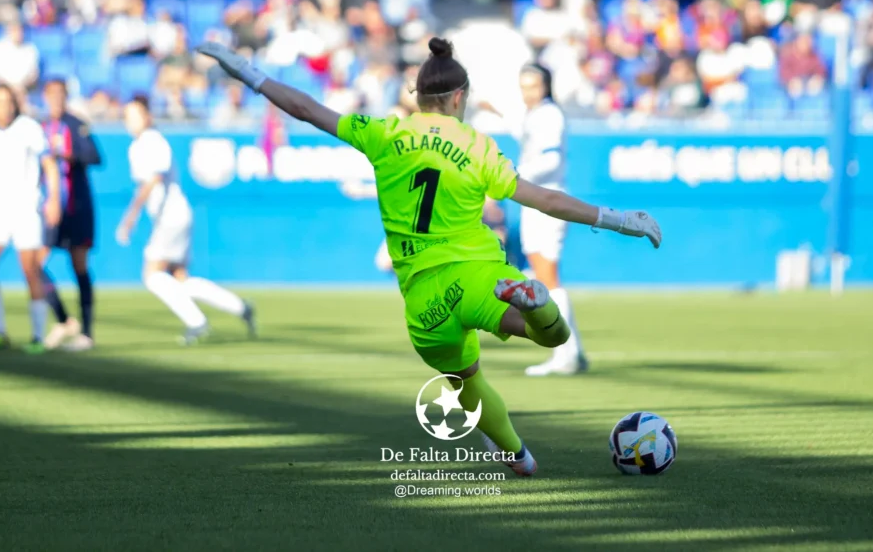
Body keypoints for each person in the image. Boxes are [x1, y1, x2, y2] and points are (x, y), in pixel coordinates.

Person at [199, 38, 662, 476]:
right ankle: (534, 305)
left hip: (423, 296)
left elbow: (306, 109)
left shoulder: (384, 132)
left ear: (418, 95)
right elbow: (545, 199)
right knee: (553, 336)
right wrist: (616, 218)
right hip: (480, 274)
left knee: (465, 381)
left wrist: (249, 75)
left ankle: (520, 458)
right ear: (459, 97)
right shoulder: (478, 145)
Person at [116, 96, 257, 344]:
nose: (131, 121)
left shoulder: (152, 141)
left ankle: (196, 321)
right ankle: (239, 307)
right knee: (180, 277)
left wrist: (130, 217)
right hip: (172, 215)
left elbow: (153, 179)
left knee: (152, 275)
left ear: (147, 116)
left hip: (170, 216)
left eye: (135, 114)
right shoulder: (138, 145)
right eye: (127, 116)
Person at [0, 84, 61, 354]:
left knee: (31, 270)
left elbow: (49, 164)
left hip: (26, 208)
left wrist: (53, 198)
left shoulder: (29, 128)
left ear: (15, 103)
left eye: (8, 101)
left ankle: (37, 336)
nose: (5, 106)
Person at [514, 64, 587, 375]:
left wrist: (516, 178)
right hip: (535, 200)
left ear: (546, 86)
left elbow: (551, 157)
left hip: (547, 198)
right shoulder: (534, 115)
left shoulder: (549, 114)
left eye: (533, 85)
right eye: (524, 85)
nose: (528, 91)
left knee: (547, 276)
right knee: (541, 272)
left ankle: (564, 352)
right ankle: (573, 351)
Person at [39, 80, 102, 352]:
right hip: (49, 207)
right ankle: (64, 319)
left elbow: (95, 156)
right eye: (50, 95)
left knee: (79, 266)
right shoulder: (39, 127)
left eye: (59, 95)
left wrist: (69, 153)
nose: (55, 100)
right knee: (34, 265)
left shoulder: (76, 125)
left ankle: (87, 332)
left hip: (76, 205)